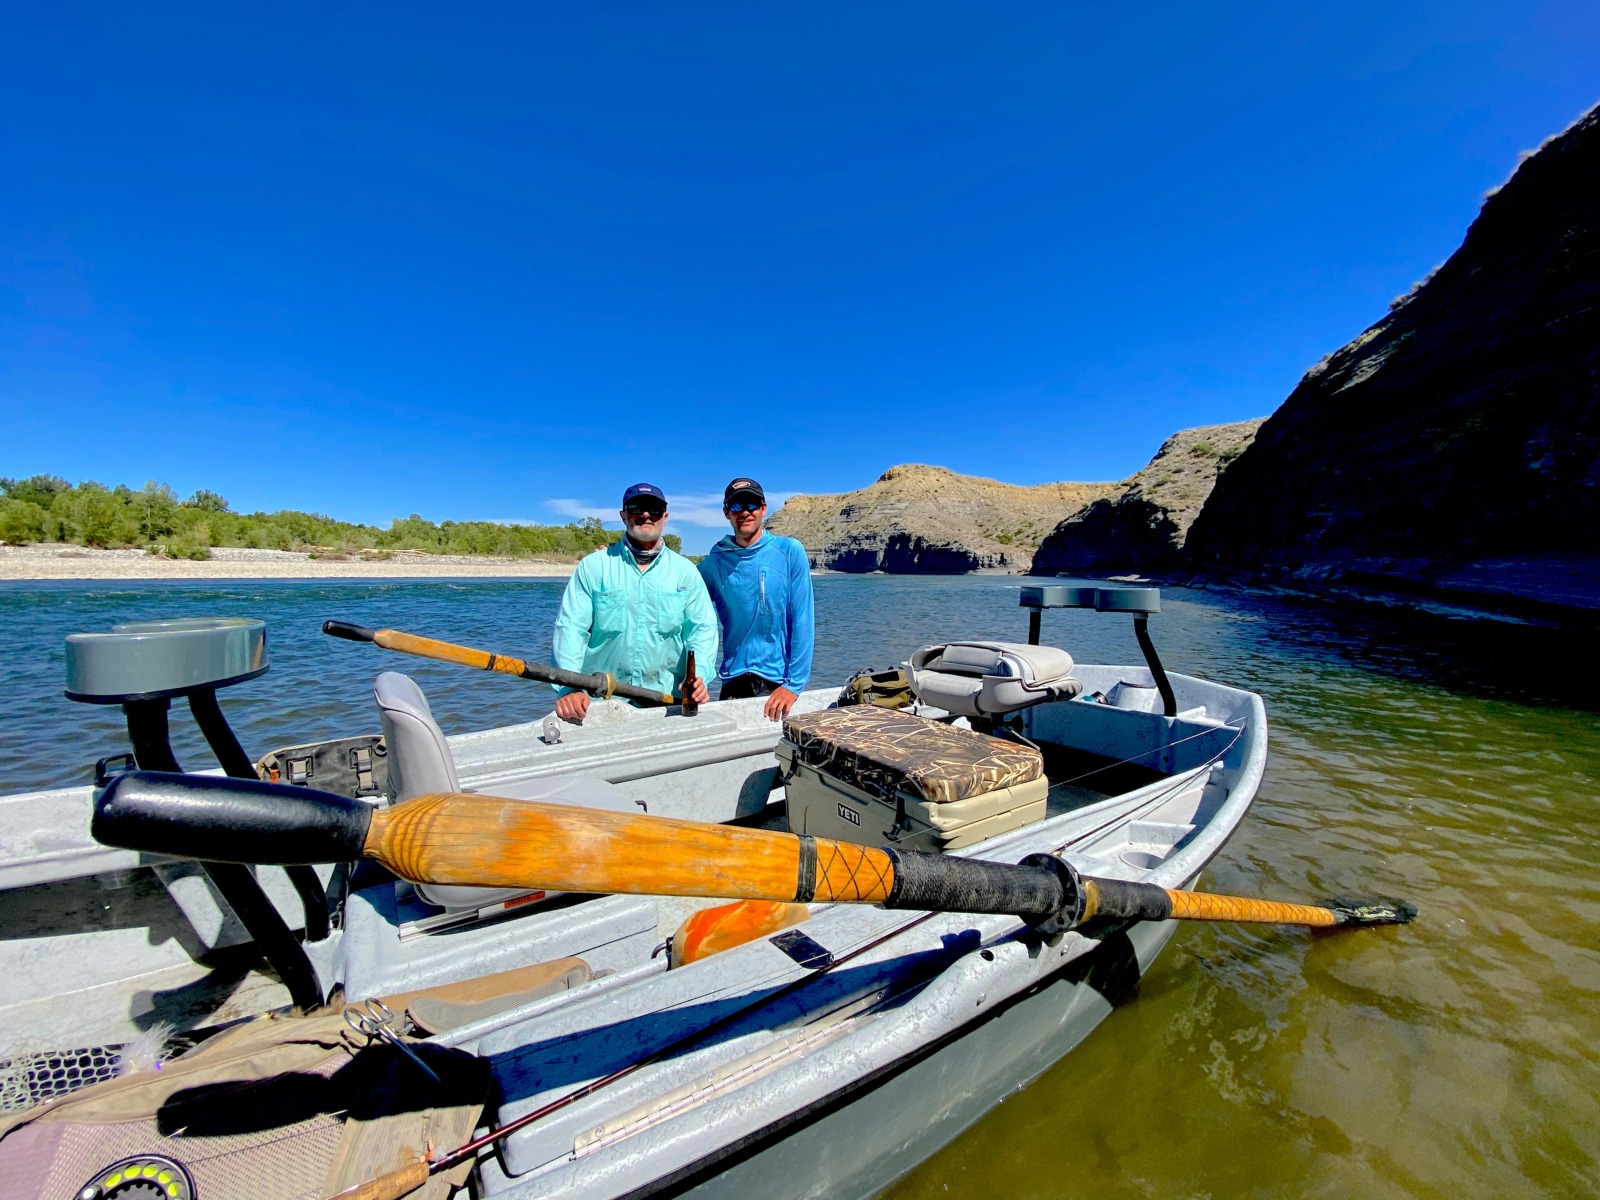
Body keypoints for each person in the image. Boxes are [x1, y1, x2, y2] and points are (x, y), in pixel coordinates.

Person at [551, 482, 716, 722]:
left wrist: (698, 676)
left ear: (665, 517)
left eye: (655, 509)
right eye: (637, 508)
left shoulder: (686, 572)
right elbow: (571, 630)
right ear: (624, 515)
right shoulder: (593, 567)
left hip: (667, 703)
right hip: (601, 705)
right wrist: (570, 688)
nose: (646, 514)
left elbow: (702, 631)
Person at [698, 477, 814, 721]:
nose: (745, 512)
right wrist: (697, 676)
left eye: (751, 504)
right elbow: (688, 617)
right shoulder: (713, 564)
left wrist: (794, 685)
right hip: (733, 682)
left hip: (779, 684)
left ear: (763, 508)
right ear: (726, 512)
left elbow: (803, 619)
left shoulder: (790, 551)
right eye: (737, 506)